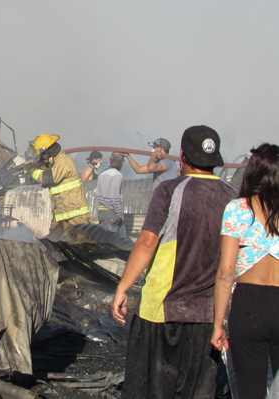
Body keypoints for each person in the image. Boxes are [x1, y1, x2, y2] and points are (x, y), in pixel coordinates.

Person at [111, 125, 236, 399]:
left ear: (181, 156)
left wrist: (122, 288)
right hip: (207, 317)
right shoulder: (231, 197)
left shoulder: (170, 190)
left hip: (162, 312)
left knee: (150, 390)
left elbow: (146, 242)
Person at [211, 143, 279, 399]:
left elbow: (226, 271)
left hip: (248, 306)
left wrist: (218, 324)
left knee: (250, 391)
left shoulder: (238, 209)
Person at [25, 134, 91, 225]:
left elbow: (46, 178)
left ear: (48, 152)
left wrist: (32, 169)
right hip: (62, 214)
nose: (41, 157)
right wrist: (40, 166)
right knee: (53, 238)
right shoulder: (55, 163)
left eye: (41, 154)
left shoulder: (63, 161)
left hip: (76, 215)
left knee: (80, 239)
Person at [95, 152, 125, 236]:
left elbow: (98, 193)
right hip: (111, 212)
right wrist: (119, 214)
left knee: (122, 237)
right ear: (122, 162)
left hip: (102, 211)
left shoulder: (102, 173)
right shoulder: (117, 175)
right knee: (112, 241)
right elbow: (115, 196)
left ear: (110, 160)